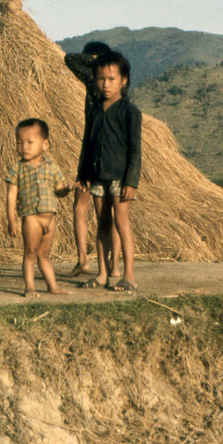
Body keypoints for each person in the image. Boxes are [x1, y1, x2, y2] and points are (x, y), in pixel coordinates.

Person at [76, 50, 141, 292]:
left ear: (123, 80)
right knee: (102, 224)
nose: (105, 84)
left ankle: (129, 276)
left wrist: (131, 181)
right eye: (101, 78)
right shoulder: (94, 111)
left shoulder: (129, 112)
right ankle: (102, 274)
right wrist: (82, 176)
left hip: (120, 176)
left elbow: (135, 150)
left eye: (111, 79)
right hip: (96, 175)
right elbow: (87, 144)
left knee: (121, 222)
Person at [63, 41, 120, 277]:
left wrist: (96, 61)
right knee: (87, 207)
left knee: (98, 211)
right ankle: (101, 264)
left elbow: (70, 59)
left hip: (98, 152)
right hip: (97, 151)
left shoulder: (96, 83)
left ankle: (96, 263)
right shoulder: (114, 86)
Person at [5, 118, 74, 298]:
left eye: (30, 142)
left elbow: (58, 190)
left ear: (45, 144)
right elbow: (11, 196)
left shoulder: (52, 167)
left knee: (44, 255)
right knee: (30, 254)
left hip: (50, 219)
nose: (24, 147)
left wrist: (66, 189)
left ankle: (53, 286)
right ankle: (30, 287)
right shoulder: (16, 169)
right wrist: (12, 220)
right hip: (32, 218)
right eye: (19, 143)